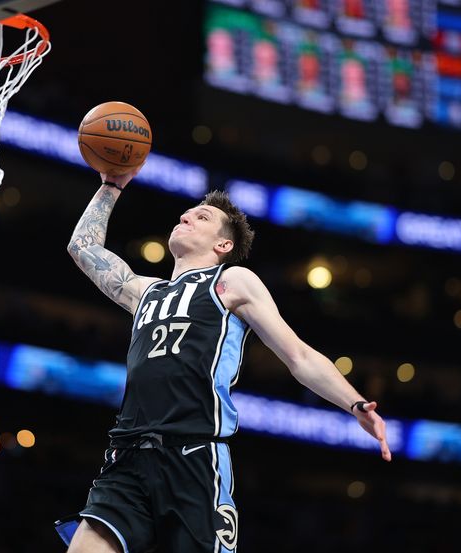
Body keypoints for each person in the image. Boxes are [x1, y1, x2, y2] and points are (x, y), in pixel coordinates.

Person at [54, 167, 392, 553]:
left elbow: (298, 356)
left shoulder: (231, 282)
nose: (186, 216)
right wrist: (111, 185)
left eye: (202, 217)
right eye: (187, 213)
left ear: (223, 246)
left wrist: (354, 403)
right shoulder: (144, 291)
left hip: (193, 459)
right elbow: (82, 247)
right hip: (126, 456)